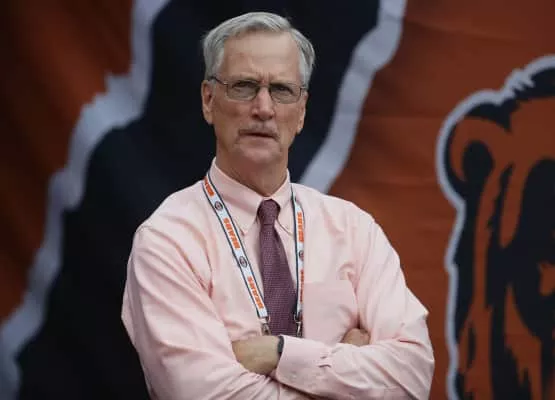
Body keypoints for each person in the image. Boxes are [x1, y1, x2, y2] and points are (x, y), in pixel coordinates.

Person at [121, 11, 434, 400]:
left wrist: (278, 353)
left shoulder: (354, 230)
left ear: (301, 111)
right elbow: (206, 394)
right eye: (244, 86)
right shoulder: (167, 241)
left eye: (282, 90)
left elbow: (412, 377)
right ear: (208, 100)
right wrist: (344, 368)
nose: (264, 108)